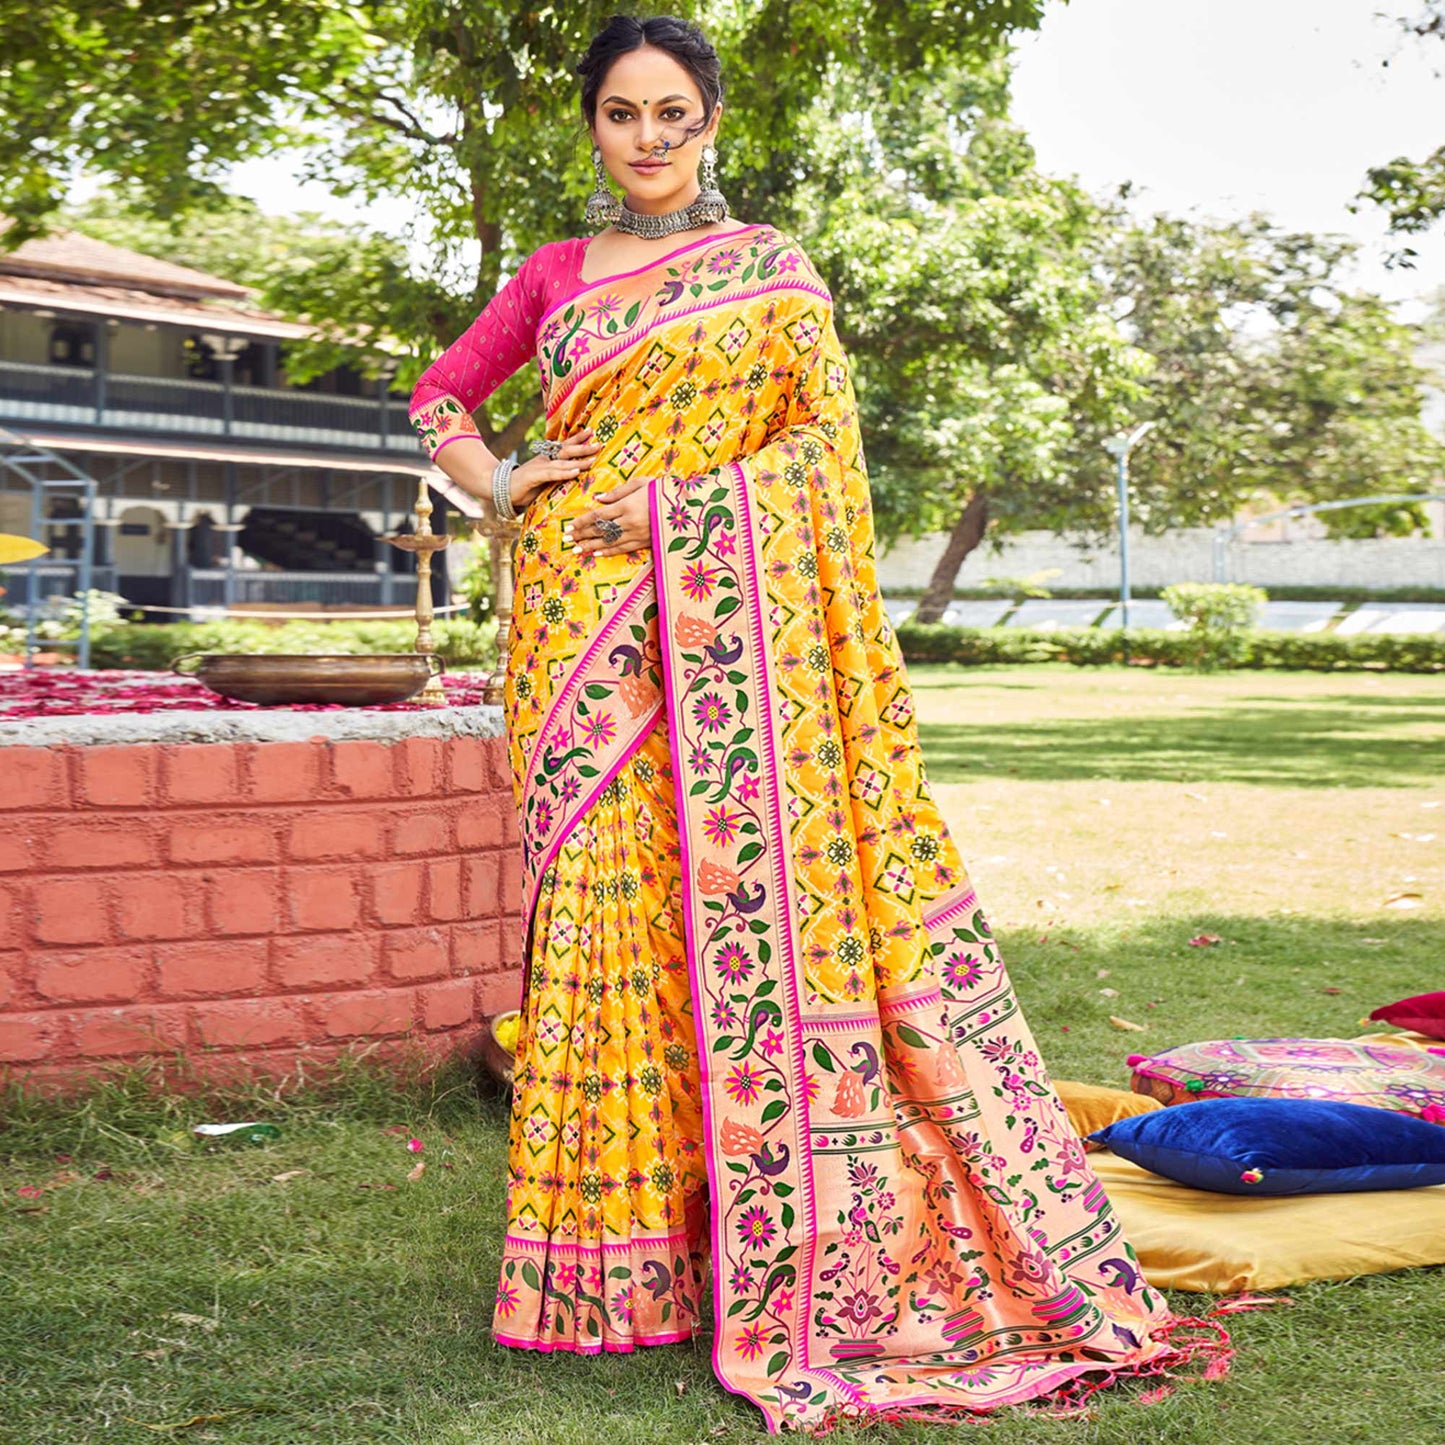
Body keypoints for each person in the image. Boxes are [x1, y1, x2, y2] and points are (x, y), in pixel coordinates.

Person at [410, 14, 1187, 1433]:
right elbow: (438, 391)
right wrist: (504, 481)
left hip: (729, 643)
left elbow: (817, 463)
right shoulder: (552, 275)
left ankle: (766, 1243)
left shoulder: (770, 271)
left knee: (748, 917)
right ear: (591, 126)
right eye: (621, 114)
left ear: (707, 123)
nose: (646, 138)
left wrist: (660, 510)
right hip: (581, 644)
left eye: (672, 114)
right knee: (604, 920)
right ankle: (608, 1269)